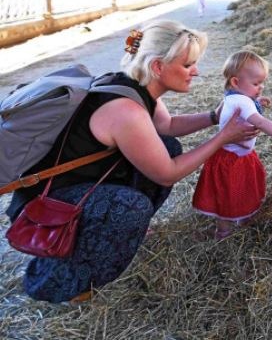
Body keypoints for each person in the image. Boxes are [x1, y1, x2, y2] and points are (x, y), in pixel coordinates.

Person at [4, 20, 258, 303]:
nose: (195, 72)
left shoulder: (134, 85)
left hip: (82, 187)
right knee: (130, 208)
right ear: (158, 66)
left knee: (167, 146)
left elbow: (169, 126)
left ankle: (114, 236)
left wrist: (213, 117)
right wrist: (222, 138)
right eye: (188, 65)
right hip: (47, 208)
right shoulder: (126, 110)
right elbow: (167, 174)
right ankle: (62, 283)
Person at [192, 51, 272, 239]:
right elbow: (261, 123)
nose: (261, 87)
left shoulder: (234, 97)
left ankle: (241, 217)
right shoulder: (242, 101)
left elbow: (242, 105)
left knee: (239, 189)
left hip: (235, 155)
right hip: (231, 160)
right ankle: (224, 230)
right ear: (236, 82)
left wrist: (256, 101)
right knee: (229, 193)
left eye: (262, 83)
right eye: (256, 84)